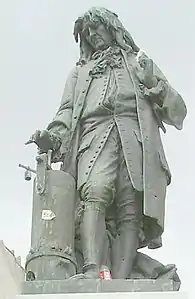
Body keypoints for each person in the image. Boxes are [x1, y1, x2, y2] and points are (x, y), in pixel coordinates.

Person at [27, 7, 187, 279]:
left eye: (96, 28)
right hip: (94, 138)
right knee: (94, 193)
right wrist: (52, 137)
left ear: (112, 28)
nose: (92, 35)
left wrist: (156, 85)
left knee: (130, 208)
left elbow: (178, 111)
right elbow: (66, 112)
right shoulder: (79, 74)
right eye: (87, 33)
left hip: (134, 141)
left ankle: (121, 280)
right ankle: (91, 270)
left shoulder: (139, 63)